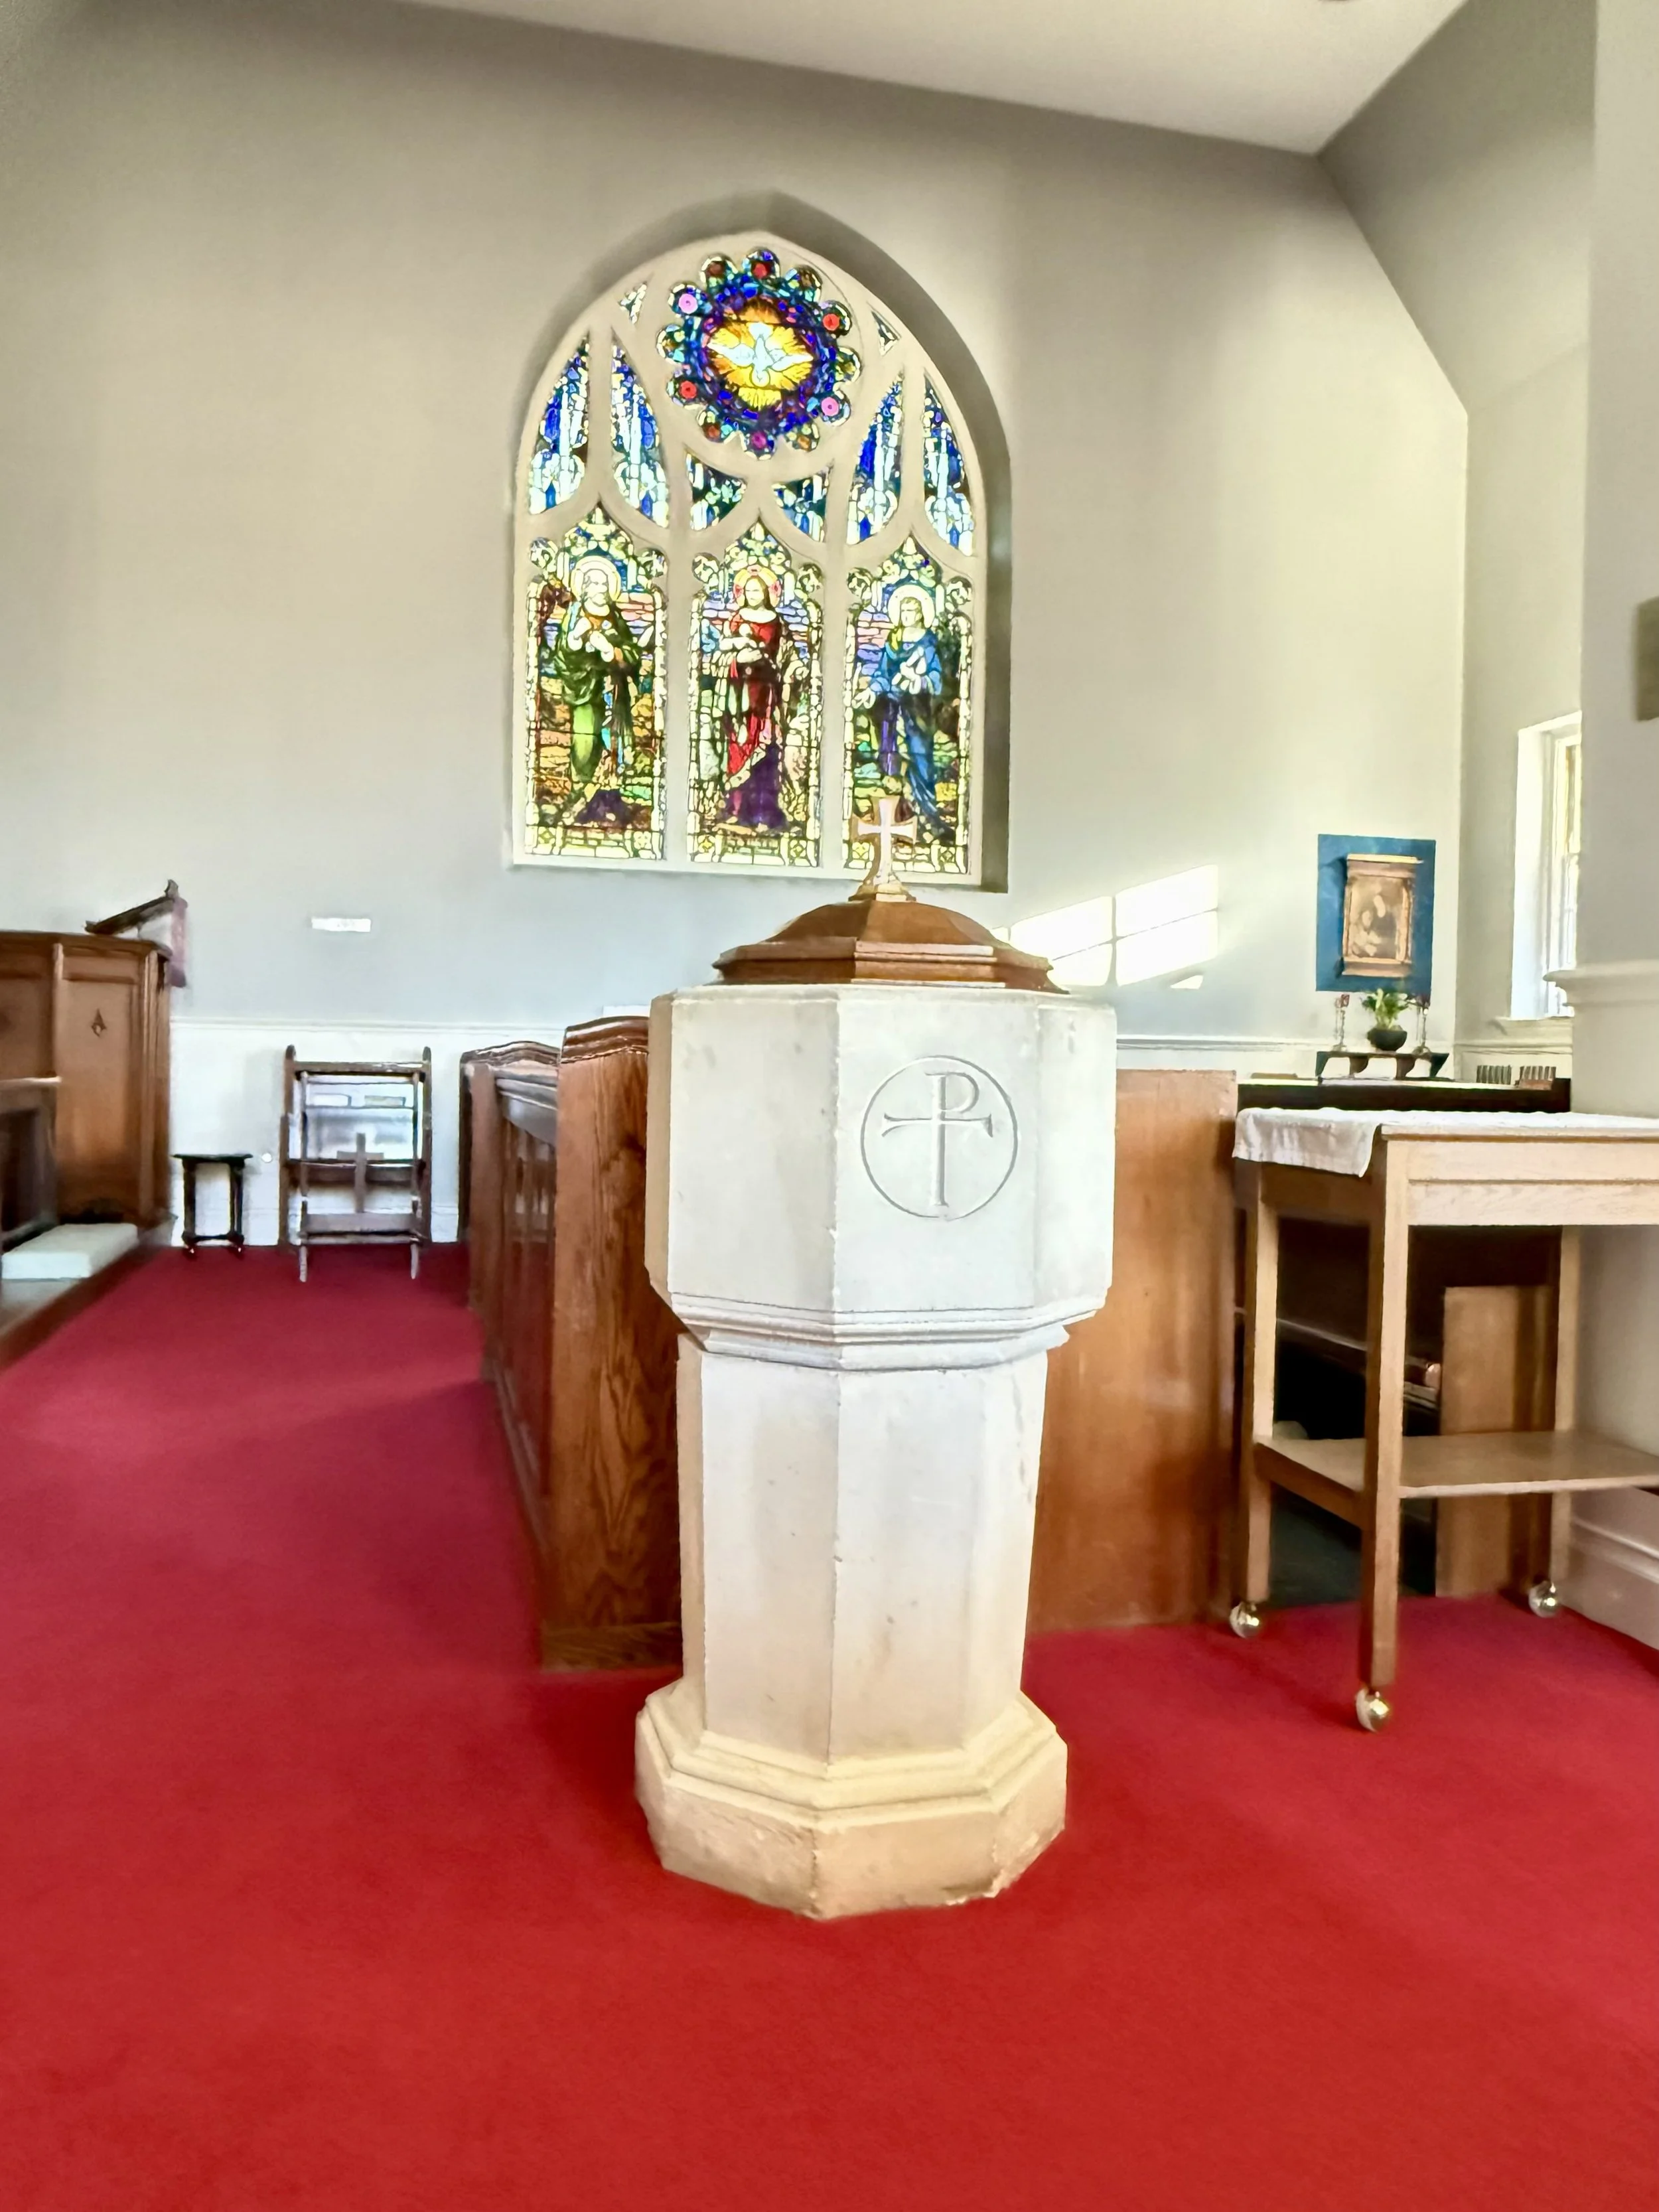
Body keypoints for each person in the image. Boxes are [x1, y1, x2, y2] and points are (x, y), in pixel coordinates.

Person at [545, 561, 641, 808]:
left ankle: (610, 796)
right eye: (594, 583)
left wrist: (613, 651)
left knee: (613, 741)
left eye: (604, 583)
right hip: (587, 689)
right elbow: (564, 654)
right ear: (584, 587)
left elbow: (633, 653)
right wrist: (577, 637)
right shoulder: (575, 613)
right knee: (586, 739)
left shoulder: (615, 616)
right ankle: (581, 791)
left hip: (614, 689)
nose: (600, 588)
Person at [717, 568, 799, 832]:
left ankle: (764, 809)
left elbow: (788, 655)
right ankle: (737, 808)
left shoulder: (778, 622)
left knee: (767, 748)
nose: (753, 595)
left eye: (758, 590)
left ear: (767, 592)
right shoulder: (736, 620)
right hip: (738, 694)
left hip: (767, 695)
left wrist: (797, 668)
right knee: (738, 748)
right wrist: (737, 658)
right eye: (749, 590)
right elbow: (722, 652)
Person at [866, 587, 950, 841]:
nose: (907, 614)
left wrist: (919, 680)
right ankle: (893, 818)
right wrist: (872, 689)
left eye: (912, 610)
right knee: (891, 757)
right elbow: (882, 673)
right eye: (903, 609)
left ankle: (926, 815)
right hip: (892, 709)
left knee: (920, 760)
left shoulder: (928, 642)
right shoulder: (893, 641)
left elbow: (936, 678)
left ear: (922, 613)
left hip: (918, 712)